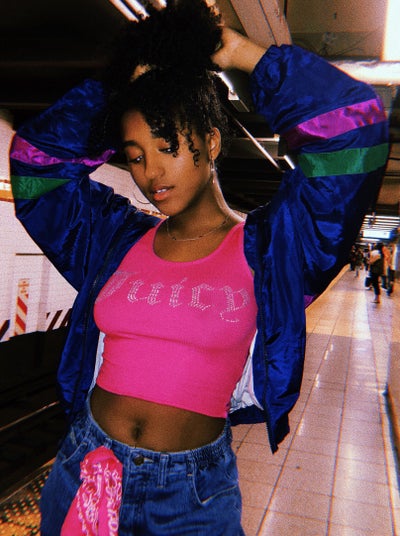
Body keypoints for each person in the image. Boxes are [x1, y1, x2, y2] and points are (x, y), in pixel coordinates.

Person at [9, 1, 389, 534]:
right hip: (86, 467)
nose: (151, 172)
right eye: (135, 154)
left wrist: (240, 53)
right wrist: (118, 90)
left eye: (167, 146)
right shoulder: (112, 239)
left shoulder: (274, 248)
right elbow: (37, 166)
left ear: (211, 141)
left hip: (190, 496)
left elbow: (353, 131)